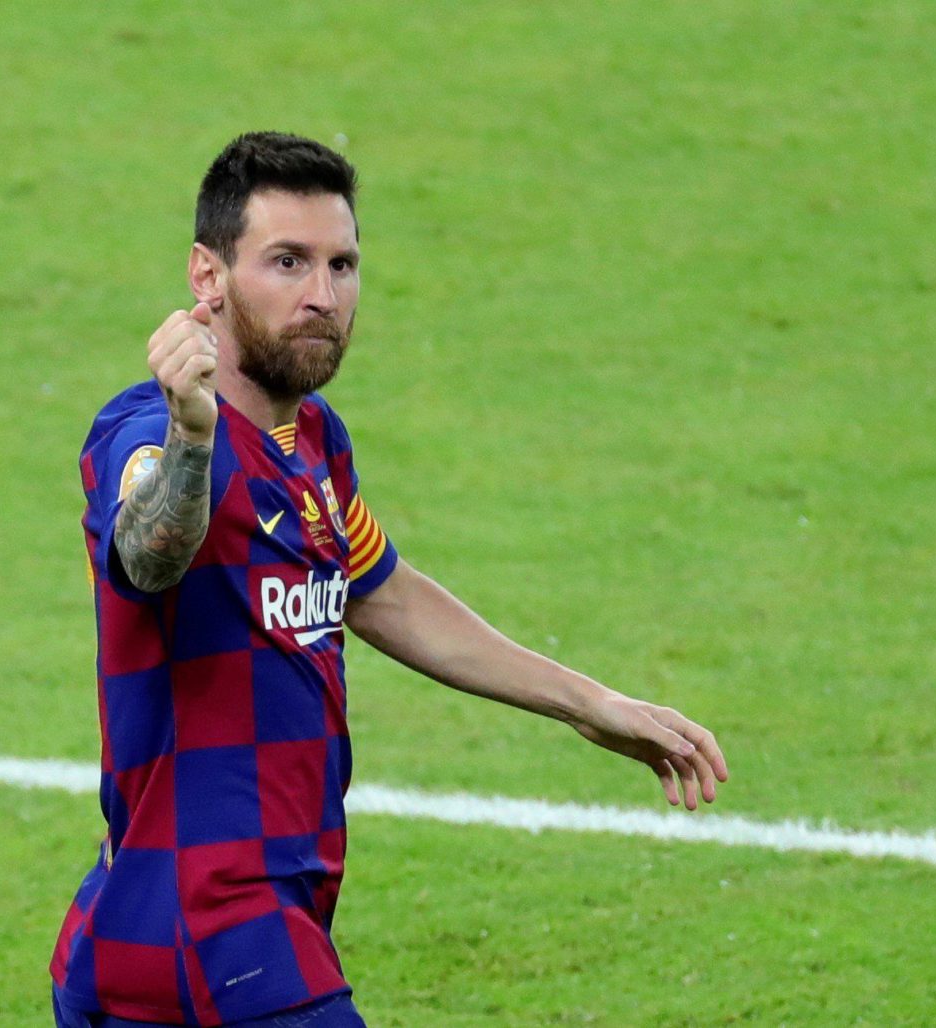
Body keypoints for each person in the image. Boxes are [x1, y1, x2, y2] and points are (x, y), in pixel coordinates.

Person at [50, 132, 729, 1028]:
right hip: (214, 928)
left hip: (165, 927)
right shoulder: (146, 431)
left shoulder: (314, 442)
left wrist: (587, 703)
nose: (322, 296)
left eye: (342, 264)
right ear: (207, 276)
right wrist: (191, 437)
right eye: (287, 262)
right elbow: (148, 555)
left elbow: (384, 591)